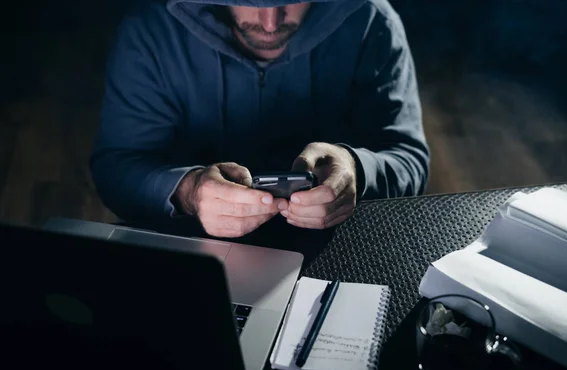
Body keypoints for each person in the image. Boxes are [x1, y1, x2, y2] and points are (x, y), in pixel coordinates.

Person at [90, 0, 430, 238]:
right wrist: (188, 191)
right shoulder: (152, 31)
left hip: (335, 245)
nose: (270, 22)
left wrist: (356, 168)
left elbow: (408, 158)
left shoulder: (371, 22)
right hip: (186, 245)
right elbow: (116, 166)